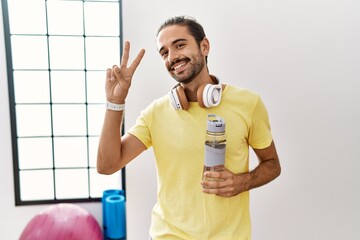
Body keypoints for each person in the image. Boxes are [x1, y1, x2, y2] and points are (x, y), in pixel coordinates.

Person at [97, 16, 281, 240]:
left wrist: (244, 182)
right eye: (164, 52)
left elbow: (272, 164)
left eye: (180, 45)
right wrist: (116, 101)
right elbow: (107, 165)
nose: (172, 57)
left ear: (204, 46)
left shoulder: (248, 103)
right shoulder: (156, 112)